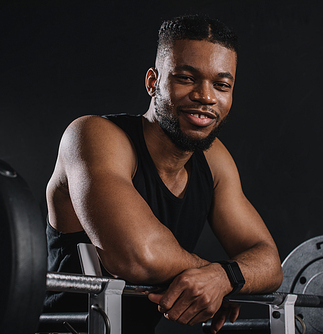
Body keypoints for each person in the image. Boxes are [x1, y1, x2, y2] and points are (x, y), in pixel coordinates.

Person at [44, 14, 283, 334]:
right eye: (187, 78)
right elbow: (138, 256)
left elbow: (269, 262)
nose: (206, 96)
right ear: (153, 82)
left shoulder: (213, 160)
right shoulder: (94, 136)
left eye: (221, 85)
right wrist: (220, 277)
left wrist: (224, 279)